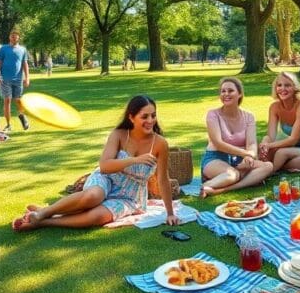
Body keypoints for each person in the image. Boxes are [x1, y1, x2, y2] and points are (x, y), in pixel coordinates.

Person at [12, 95, 179, 231]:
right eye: (145, 116)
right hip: (106, 179)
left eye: (153, 115)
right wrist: (135, 160)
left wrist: (170, 213)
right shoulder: (119, 135)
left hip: (130, 196)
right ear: (131, 117)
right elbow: (105, 166)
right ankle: (45, 212)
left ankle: (42, 221)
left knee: (97, 216)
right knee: (93, 197)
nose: (150, 120)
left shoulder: (160, 144)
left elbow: (163, 180)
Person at [200, 77, 274, 197]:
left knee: (268, 166)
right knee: (232, 175)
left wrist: (250, 156)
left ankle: (221, 189)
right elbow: (218, 143)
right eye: (223, 91)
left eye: (230, 91)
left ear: (240, 94)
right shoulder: (213, 114)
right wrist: (245, 154)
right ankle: (208, 185)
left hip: (239, 160)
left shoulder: (248, 116)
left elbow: (251, 143)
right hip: (215, 158)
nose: (226, 94)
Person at [0, 30, 30, 131]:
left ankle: (22, 116)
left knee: (18, 100)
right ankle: (8, 125)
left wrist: (27, 77)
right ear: (9, 37)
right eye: (12, 36)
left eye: (15, 36)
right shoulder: (3, 49)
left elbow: (25, 64)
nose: (13, 38)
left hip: (18, 80)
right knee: (7, 100)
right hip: (5, 79)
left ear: (18, 38)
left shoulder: (23, 50)